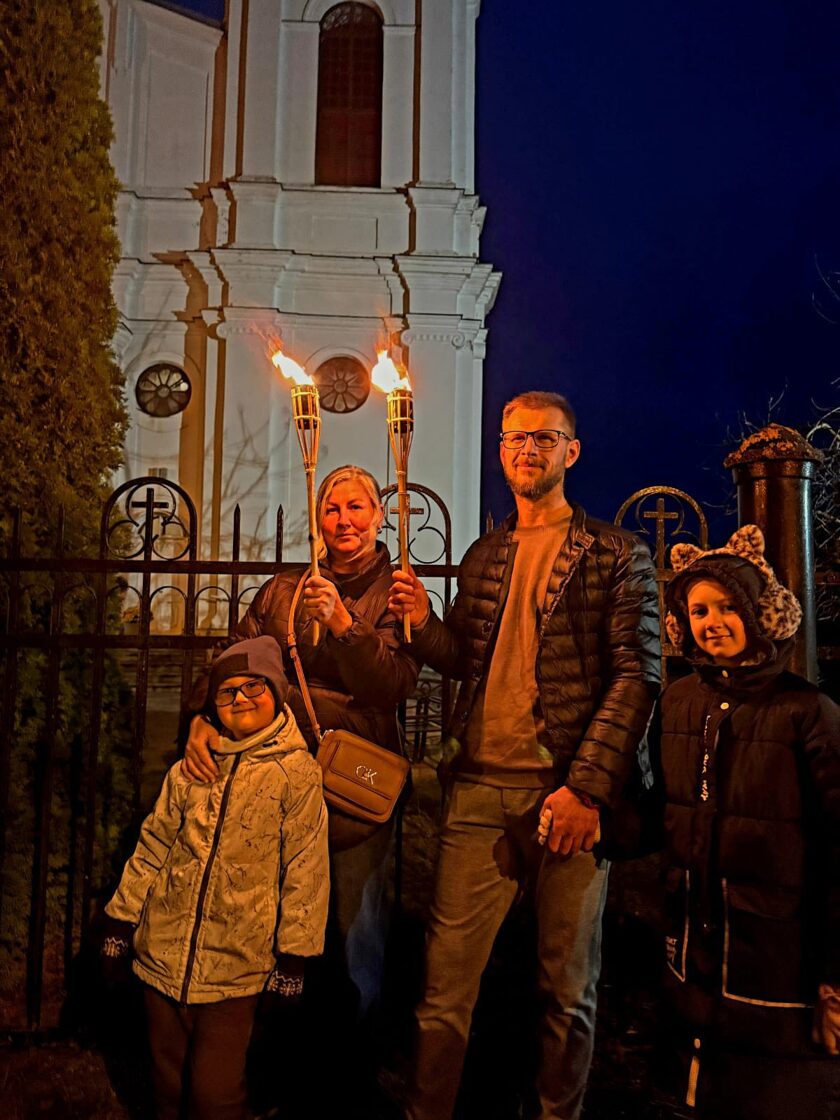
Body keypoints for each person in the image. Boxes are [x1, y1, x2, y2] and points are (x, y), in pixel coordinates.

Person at [389, 390, 661, 1120]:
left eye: (545, 438)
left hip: (563, 795)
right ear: (501, 450)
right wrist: (421, 624)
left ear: (572, 451)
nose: (527, 450)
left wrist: (588, 790)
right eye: (515, 438)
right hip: (478, 792)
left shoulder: (616, 553)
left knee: (565, 992)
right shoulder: (486, 553)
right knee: (443, 991)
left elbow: (637, 676)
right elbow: (465, 658)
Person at [182, 464, 421, 1114]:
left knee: (351, 926)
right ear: (318, 519)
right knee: (275, 920)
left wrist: (344, 625)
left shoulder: (396, 594)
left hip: (354, 781)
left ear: (379, 516)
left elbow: (392, 685)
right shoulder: (285, 591)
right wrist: (206, 715)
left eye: (356, 507)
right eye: (332, 508)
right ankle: (278, 1064)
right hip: (279, 776)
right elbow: (236, 657)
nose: (344, 520)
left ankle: (351, 1071)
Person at [652, 525, 840, 1119]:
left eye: (728, 607)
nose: (713, 622)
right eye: (699, 611)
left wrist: (834, 976)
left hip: (778, 965)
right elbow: (663, 811)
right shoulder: (679, 701)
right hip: (697, 958)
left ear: (762, 612)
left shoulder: (807, 712)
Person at [100, 636, 329, 1120]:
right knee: (166, 1085)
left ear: (276, 691)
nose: (240, 698)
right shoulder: (193, 768)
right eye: (227, 691)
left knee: (214, 1094)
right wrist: (121, 921)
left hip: (237, 969)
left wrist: (294, 958)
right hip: (163, 956)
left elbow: (305, 870)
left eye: (253, 687)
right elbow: (153, 845)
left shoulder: (296, 774)